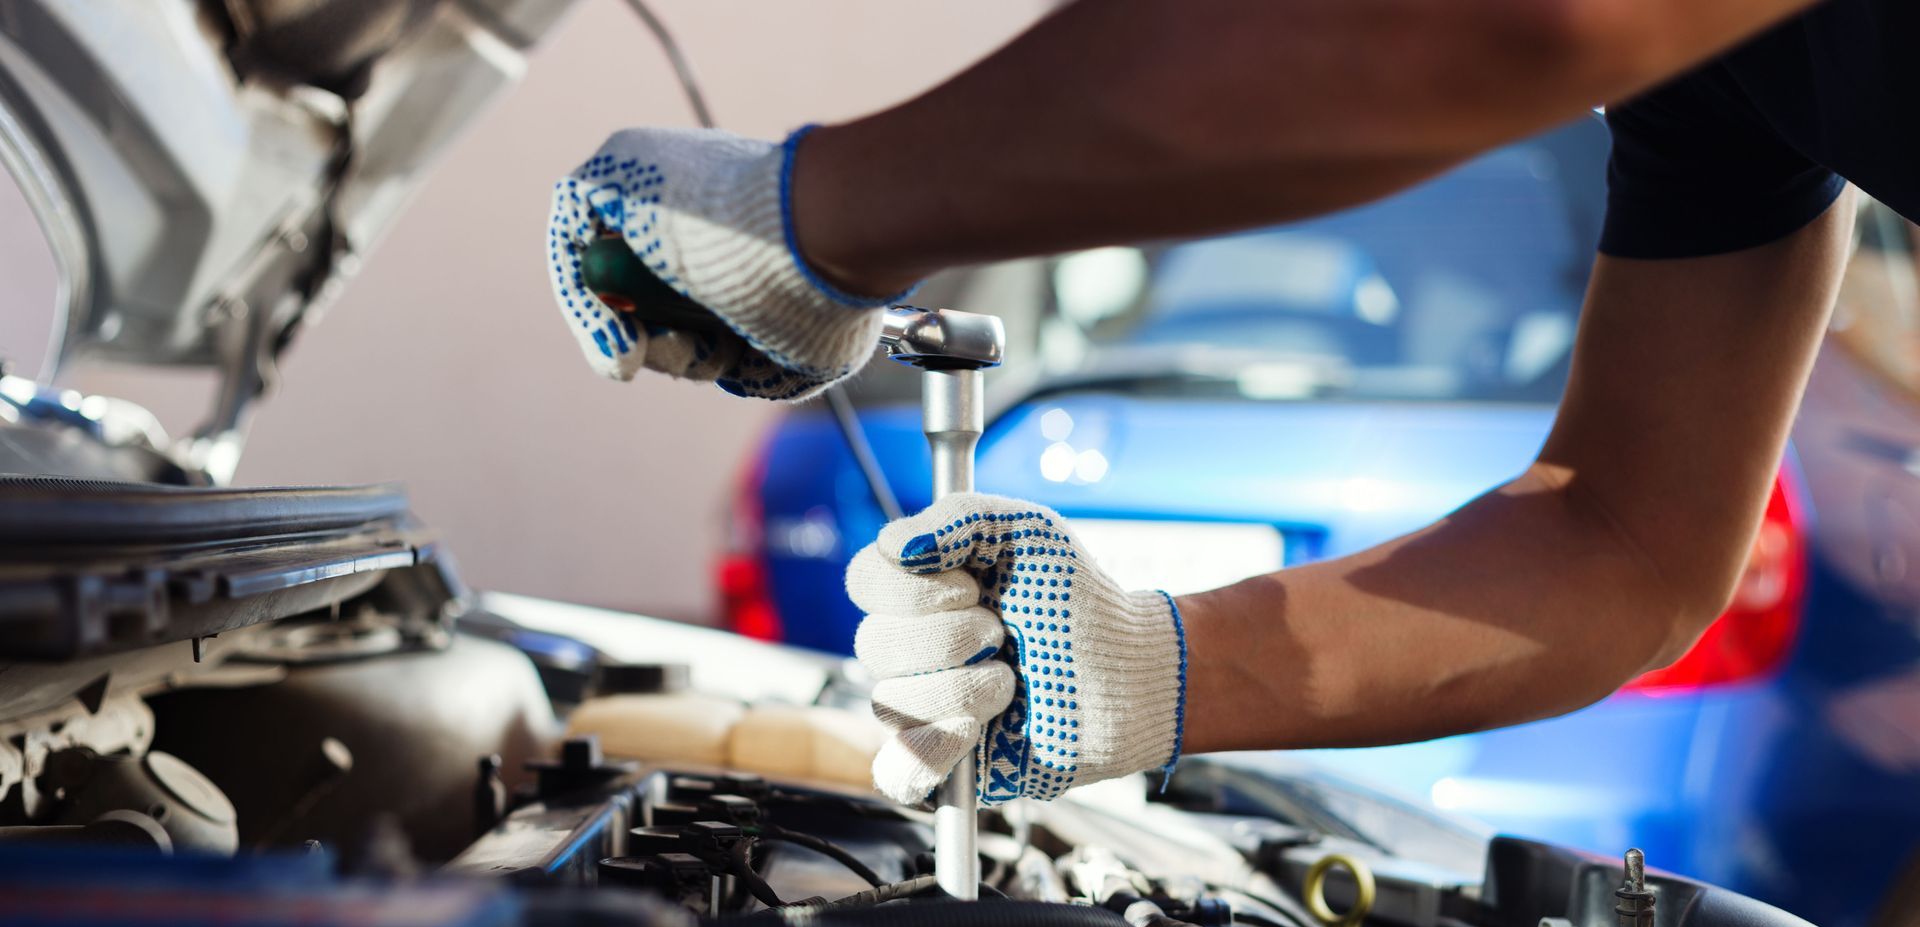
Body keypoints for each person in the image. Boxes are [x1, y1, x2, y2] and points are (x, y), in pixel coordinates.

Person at [546, 0, 1908, 806]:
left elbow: (1500, 28)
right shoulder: (1723, 87)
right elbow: (1630, 544)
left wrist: (822, 215)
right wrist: (1141, 669)